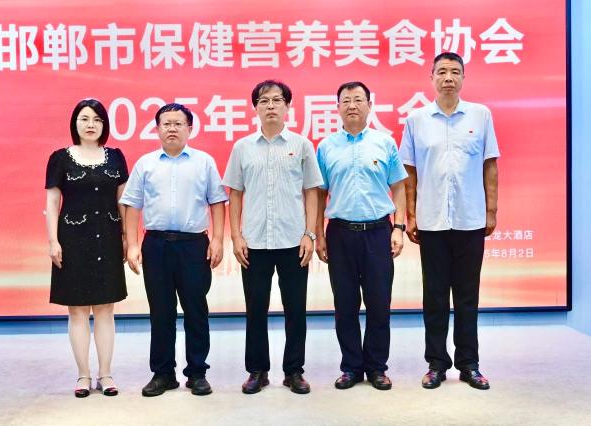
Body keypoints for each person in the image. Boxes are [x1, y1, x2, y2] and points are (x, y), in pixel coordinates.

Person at [399, 52, 499, 390]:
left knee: (468, 297)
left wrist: (491, 211)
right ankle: (436, 364)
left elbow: (490, 164)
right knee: (436, 297)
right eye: (441, 72)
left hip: (470, 220)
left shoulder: (481, 115)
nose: (448, 78)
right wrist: (411, 214)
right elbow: (409, 171)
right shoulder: (416, 120)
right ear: (431, 78)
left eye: (455, 72)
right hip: (432, 223)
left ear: (463, 78)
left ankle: (469, 364)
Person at [223, 80, 323, 394]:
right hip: (254, 243)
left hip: (294, 241)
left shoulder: (302, 145)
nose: (270, 106)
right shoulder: (242, 148)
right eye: (263, 101)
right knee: (256, 309)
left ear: (287, 106)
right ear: (255, 107)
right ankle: (257, 371)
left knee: (296, 309)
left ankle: (294, 371)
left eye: (277, 100)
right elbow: (235, 194)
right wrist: (236, 236)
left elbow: (312, 192)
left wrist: (310, 234)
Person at [120, 103, 226, 397]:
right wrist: (132, 244)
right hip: (156, 245)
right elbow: (132, 205)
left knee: (196, 310)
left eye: (178, 124)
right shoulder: (146, 164)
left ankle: (197, 373)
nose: (172, 129)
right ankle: (163, 373)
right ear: (157, 129)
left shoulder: (204, 162)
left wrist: (218, 239)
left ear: (189, 129)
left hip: (194, 246)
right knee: (161, 311)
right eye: (166, 124)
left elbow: (217, 202)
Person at [315, 81, 407, 391]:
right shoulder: (326, 147)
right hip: (340, 233)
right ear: (337, 107)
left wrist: (399, 227)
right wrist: (318, 233)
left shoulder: (385, 143)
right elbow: (320, 193)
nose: (352, 105)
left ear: (369, 105)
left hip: (378, 232)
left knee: (379, 303)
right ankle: (351, 367)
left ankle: (377, 367)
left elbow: (398, 186)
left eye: (358, 100)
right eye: (346, 100)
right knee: (345, 305)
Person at [45, 98, 128, 398]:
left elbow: (123, 201)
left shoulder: (116, 157)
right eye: (84, 118)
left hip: (108, 239)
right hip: (72, 241)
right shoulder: (60, 158)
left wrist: (127, 237)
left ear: (105, 125)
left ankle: (106, 374)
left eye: (97, 119)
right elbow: (53, 202)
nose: (91, 124)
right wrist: (53, 241)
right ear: (75, 123)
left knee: (105, 309)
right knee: (78, 310)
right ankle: (83, 375)